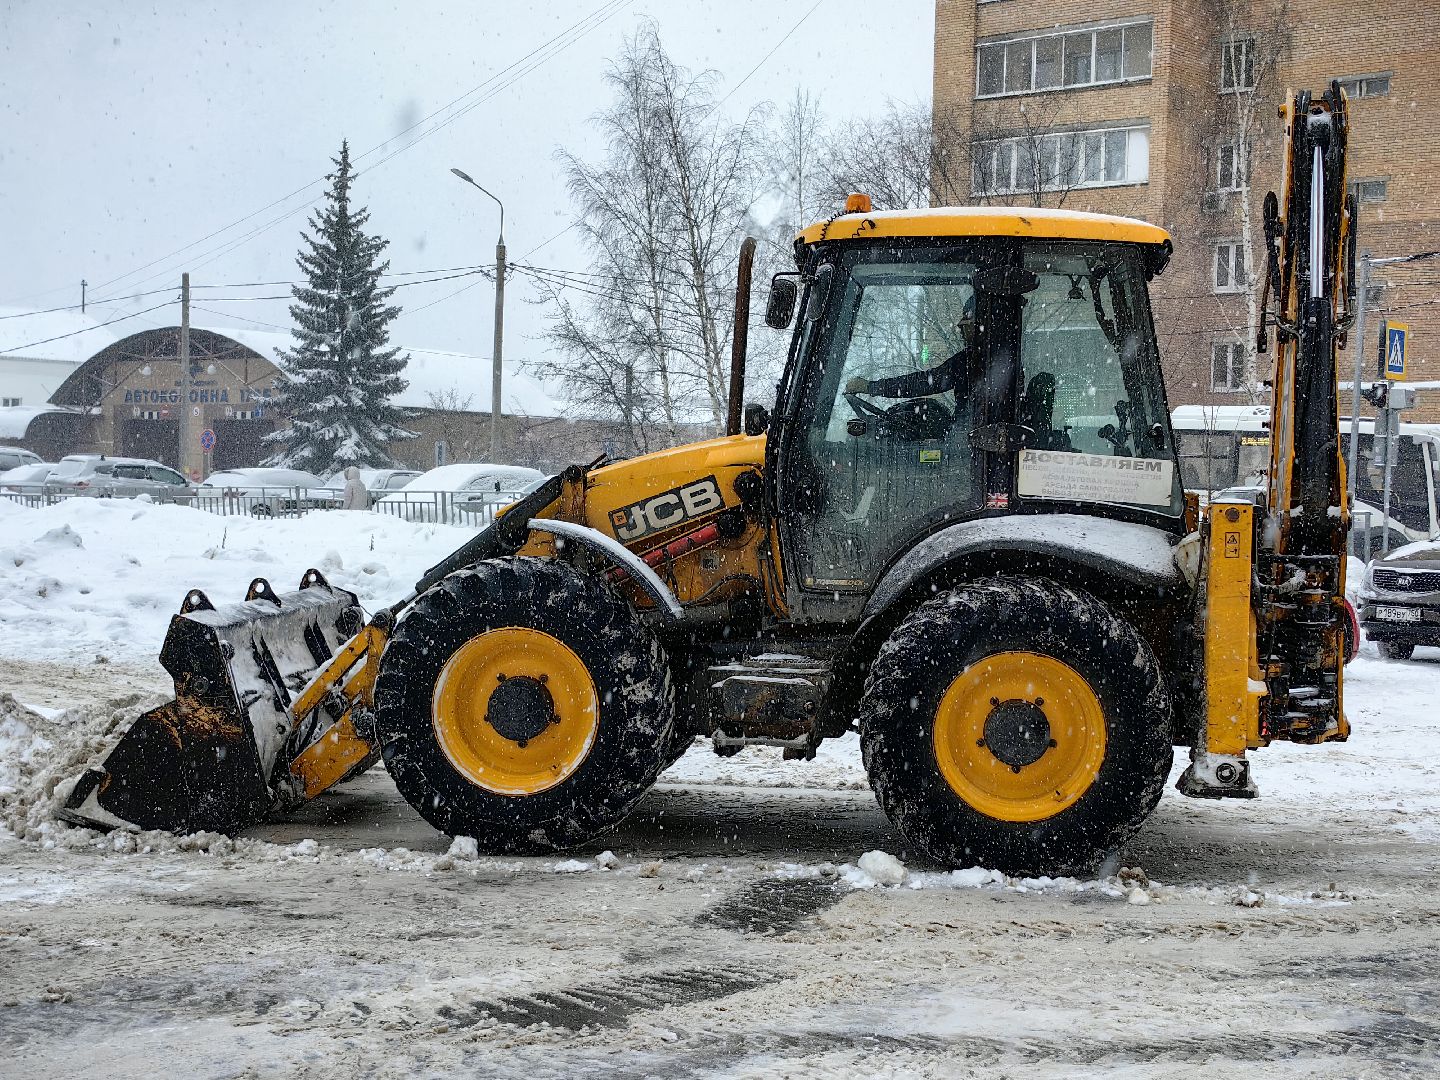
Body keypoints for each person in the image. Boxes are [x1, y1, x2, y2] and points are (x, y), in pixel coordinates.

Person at [845, 293, 978, 400]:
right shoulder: (970, 360)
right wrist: (873, 387)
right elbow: (923, 382)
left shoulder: (970, 361)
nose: (960, 327)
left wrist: (871, 387)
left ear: (978, 322)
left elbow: (922, 383)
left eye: (966, 321)